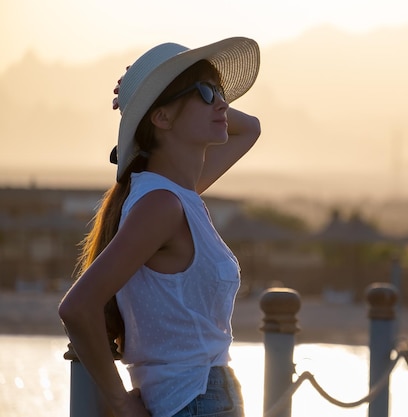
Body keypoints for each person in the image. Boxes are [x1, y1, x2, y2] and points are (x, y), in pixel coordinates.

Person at [58, 37, 261, 417]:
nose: (221, 103)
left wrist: (151, 93)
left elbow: (250, 127)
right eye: (204, 92)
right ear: (162, 118)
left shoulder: (174, 193)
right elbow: (77, 306)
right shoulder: (161, 206)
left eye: (220, 91)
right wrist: (119, 403)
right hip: (196, 400)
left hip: (196, 398)